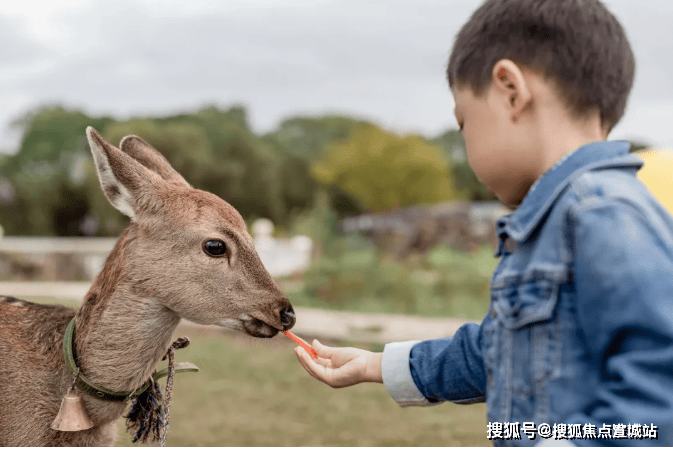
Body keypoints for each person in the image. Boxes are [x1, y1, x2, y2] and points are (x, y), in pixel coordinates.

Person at [293, 0, 673, 446]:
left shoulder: (600, 212)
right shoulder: (553, 221)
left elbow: (659, 385)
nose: (466, 142)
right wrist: (377, 364)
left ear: (510, 91)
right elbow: (495, 351)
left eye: (464, 123)